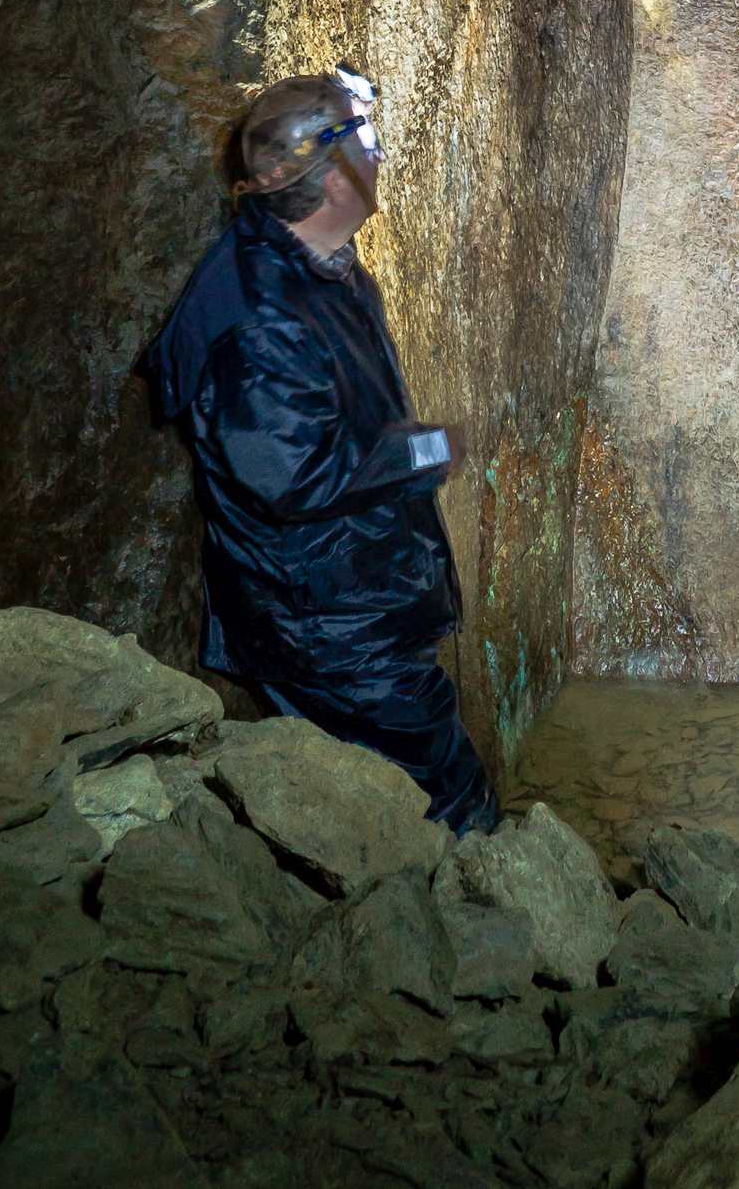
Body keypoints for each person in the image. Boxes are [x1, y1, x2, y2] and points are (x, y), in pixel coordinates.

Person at [143, 66, 499, 835]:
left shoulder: (316, 267)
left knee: (412, 806)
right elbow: (294, 476)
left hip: (356, 598)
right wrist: (429, 450)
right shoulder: (262, 323)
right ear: (331, 176)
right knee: (449, 808)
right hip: (326, 624)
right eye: (365, 141)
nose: (379, 157)